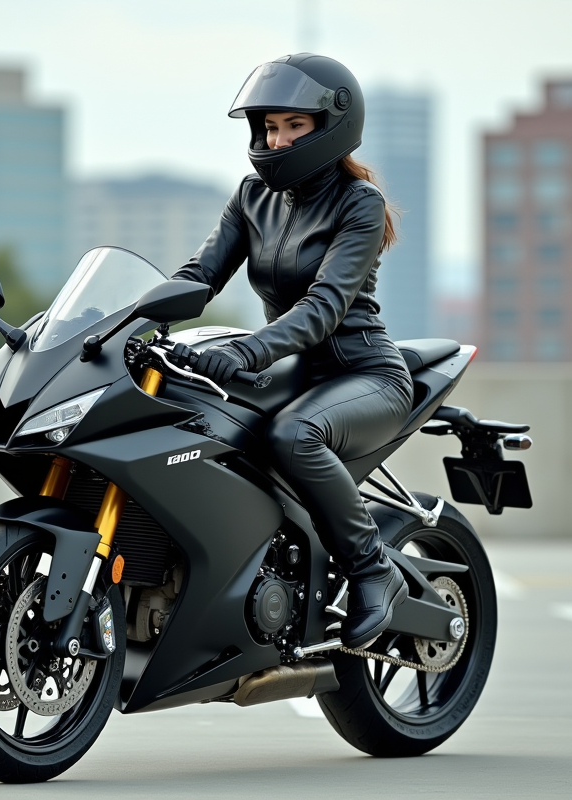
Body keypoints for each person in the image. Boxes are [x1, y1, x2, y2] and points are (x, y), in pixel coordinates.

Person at [173, 54, 415, 650]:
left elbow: (324, 306)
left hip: (366, 373)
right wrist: (118, 322)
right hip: (297, 373)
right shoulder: (252, 196)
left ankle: (371, 569)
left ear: (330, 126)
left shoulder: (358, 203)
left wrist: (252, 350)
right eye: (268, 127)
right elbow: (198, 277)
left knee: (292, 437)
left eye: (293, 126)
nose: (276, 140)